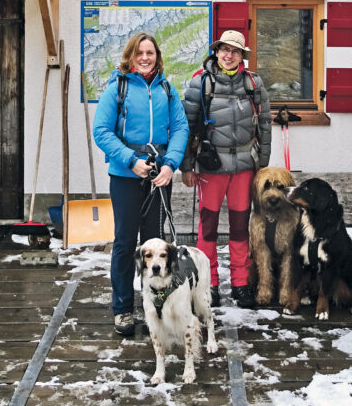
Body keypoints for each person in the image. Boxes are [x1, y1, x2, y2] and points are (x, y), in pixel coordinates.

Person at [92, 32, 189, 336]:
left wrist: (170, 164)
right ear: (131, 56)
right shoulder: (117, 88)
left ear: (157, 56)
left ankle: (153, 306)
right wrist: (129, 160)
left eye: (150, 53)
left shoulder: (167, 89)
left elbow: (180, 128)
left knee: (155, 244)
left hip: (158, 176)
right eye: (139, 53)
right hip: (125, 176)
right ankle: (122, 309)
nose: (145, 58)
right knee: (124, 243)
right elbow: (102, 131)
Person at [180, 29, 271, 308]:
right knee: (207, 229)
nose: (229, 55)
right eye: (224, 50)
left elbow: (265, 125)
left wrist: (263, 167)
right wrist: (187, 165)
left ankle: (241, 284)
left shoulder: (253, 83)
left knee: (240, 228)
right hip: (211, 167)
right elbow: (185, 126)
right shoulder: (200, 83)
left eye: (235, 51)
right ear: (216, 52)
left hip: (244, 167)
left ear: (242, 56)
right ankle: (211, 285)